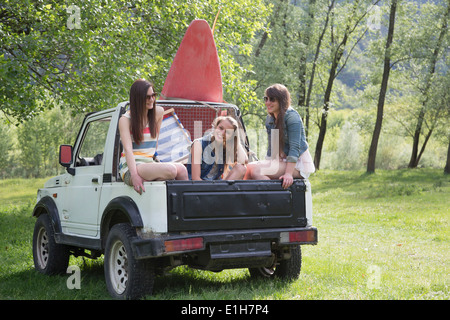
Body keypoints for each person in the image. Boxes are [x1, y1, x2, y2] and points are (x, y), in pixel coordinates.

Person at [119, 79, 188, 194]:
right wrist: (135, 175)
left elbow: (154, 143)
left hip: (149, 163)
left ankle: (185, 206)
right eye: (147, 97)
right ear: (138, 99)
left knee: (182, 170)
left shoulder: (158, 113)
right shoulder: (125, 120)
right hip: (131, 167)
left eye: (153, 95)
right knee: (171, 170)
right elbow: (128, 150)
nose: (152, 100)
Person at [244, 84, 314, 189]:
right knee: (247, 168)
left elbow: (295, 147)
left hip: (297, 165)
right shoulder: (270, 119)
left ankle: (273, 199)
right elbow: (272, 148)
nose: (267, 102)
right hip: (281, 161)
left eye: (272, 99)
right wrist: (269, 162)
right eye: (266, 99)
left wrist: (288, 174)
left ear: (281, 100)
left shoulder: (292, 117)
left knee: (257, 170)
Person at [187, 116, 247, 180]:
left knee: (241, 168)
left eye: (227, 132)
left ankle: (224, 190)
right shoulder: (198, 144)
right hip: (200, 186)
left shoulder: (225, 148)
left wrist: (236, 140)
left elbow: (244, 160)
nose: (222, 133)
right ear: (216, 126)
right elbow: (195, 179)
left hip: (217, 186)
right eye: (221, 128)